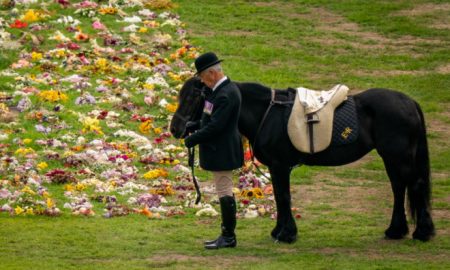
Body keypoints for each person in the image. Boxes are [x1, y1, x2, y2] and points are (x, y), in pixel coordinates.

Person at [184, 52, 244, 249]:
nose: (202, 81)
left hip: (223, 149)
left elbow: (216, 126)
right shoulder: (218, 92)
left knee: (225, 191)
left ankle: (228, 236)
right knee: (223, 189)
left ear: (211, 73)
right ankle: (227, 235)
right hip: (219, 148)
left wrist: (192, 139)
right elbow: (209, 117)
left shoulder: (226, 94)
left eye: (201, 77)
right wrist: (193, 125)